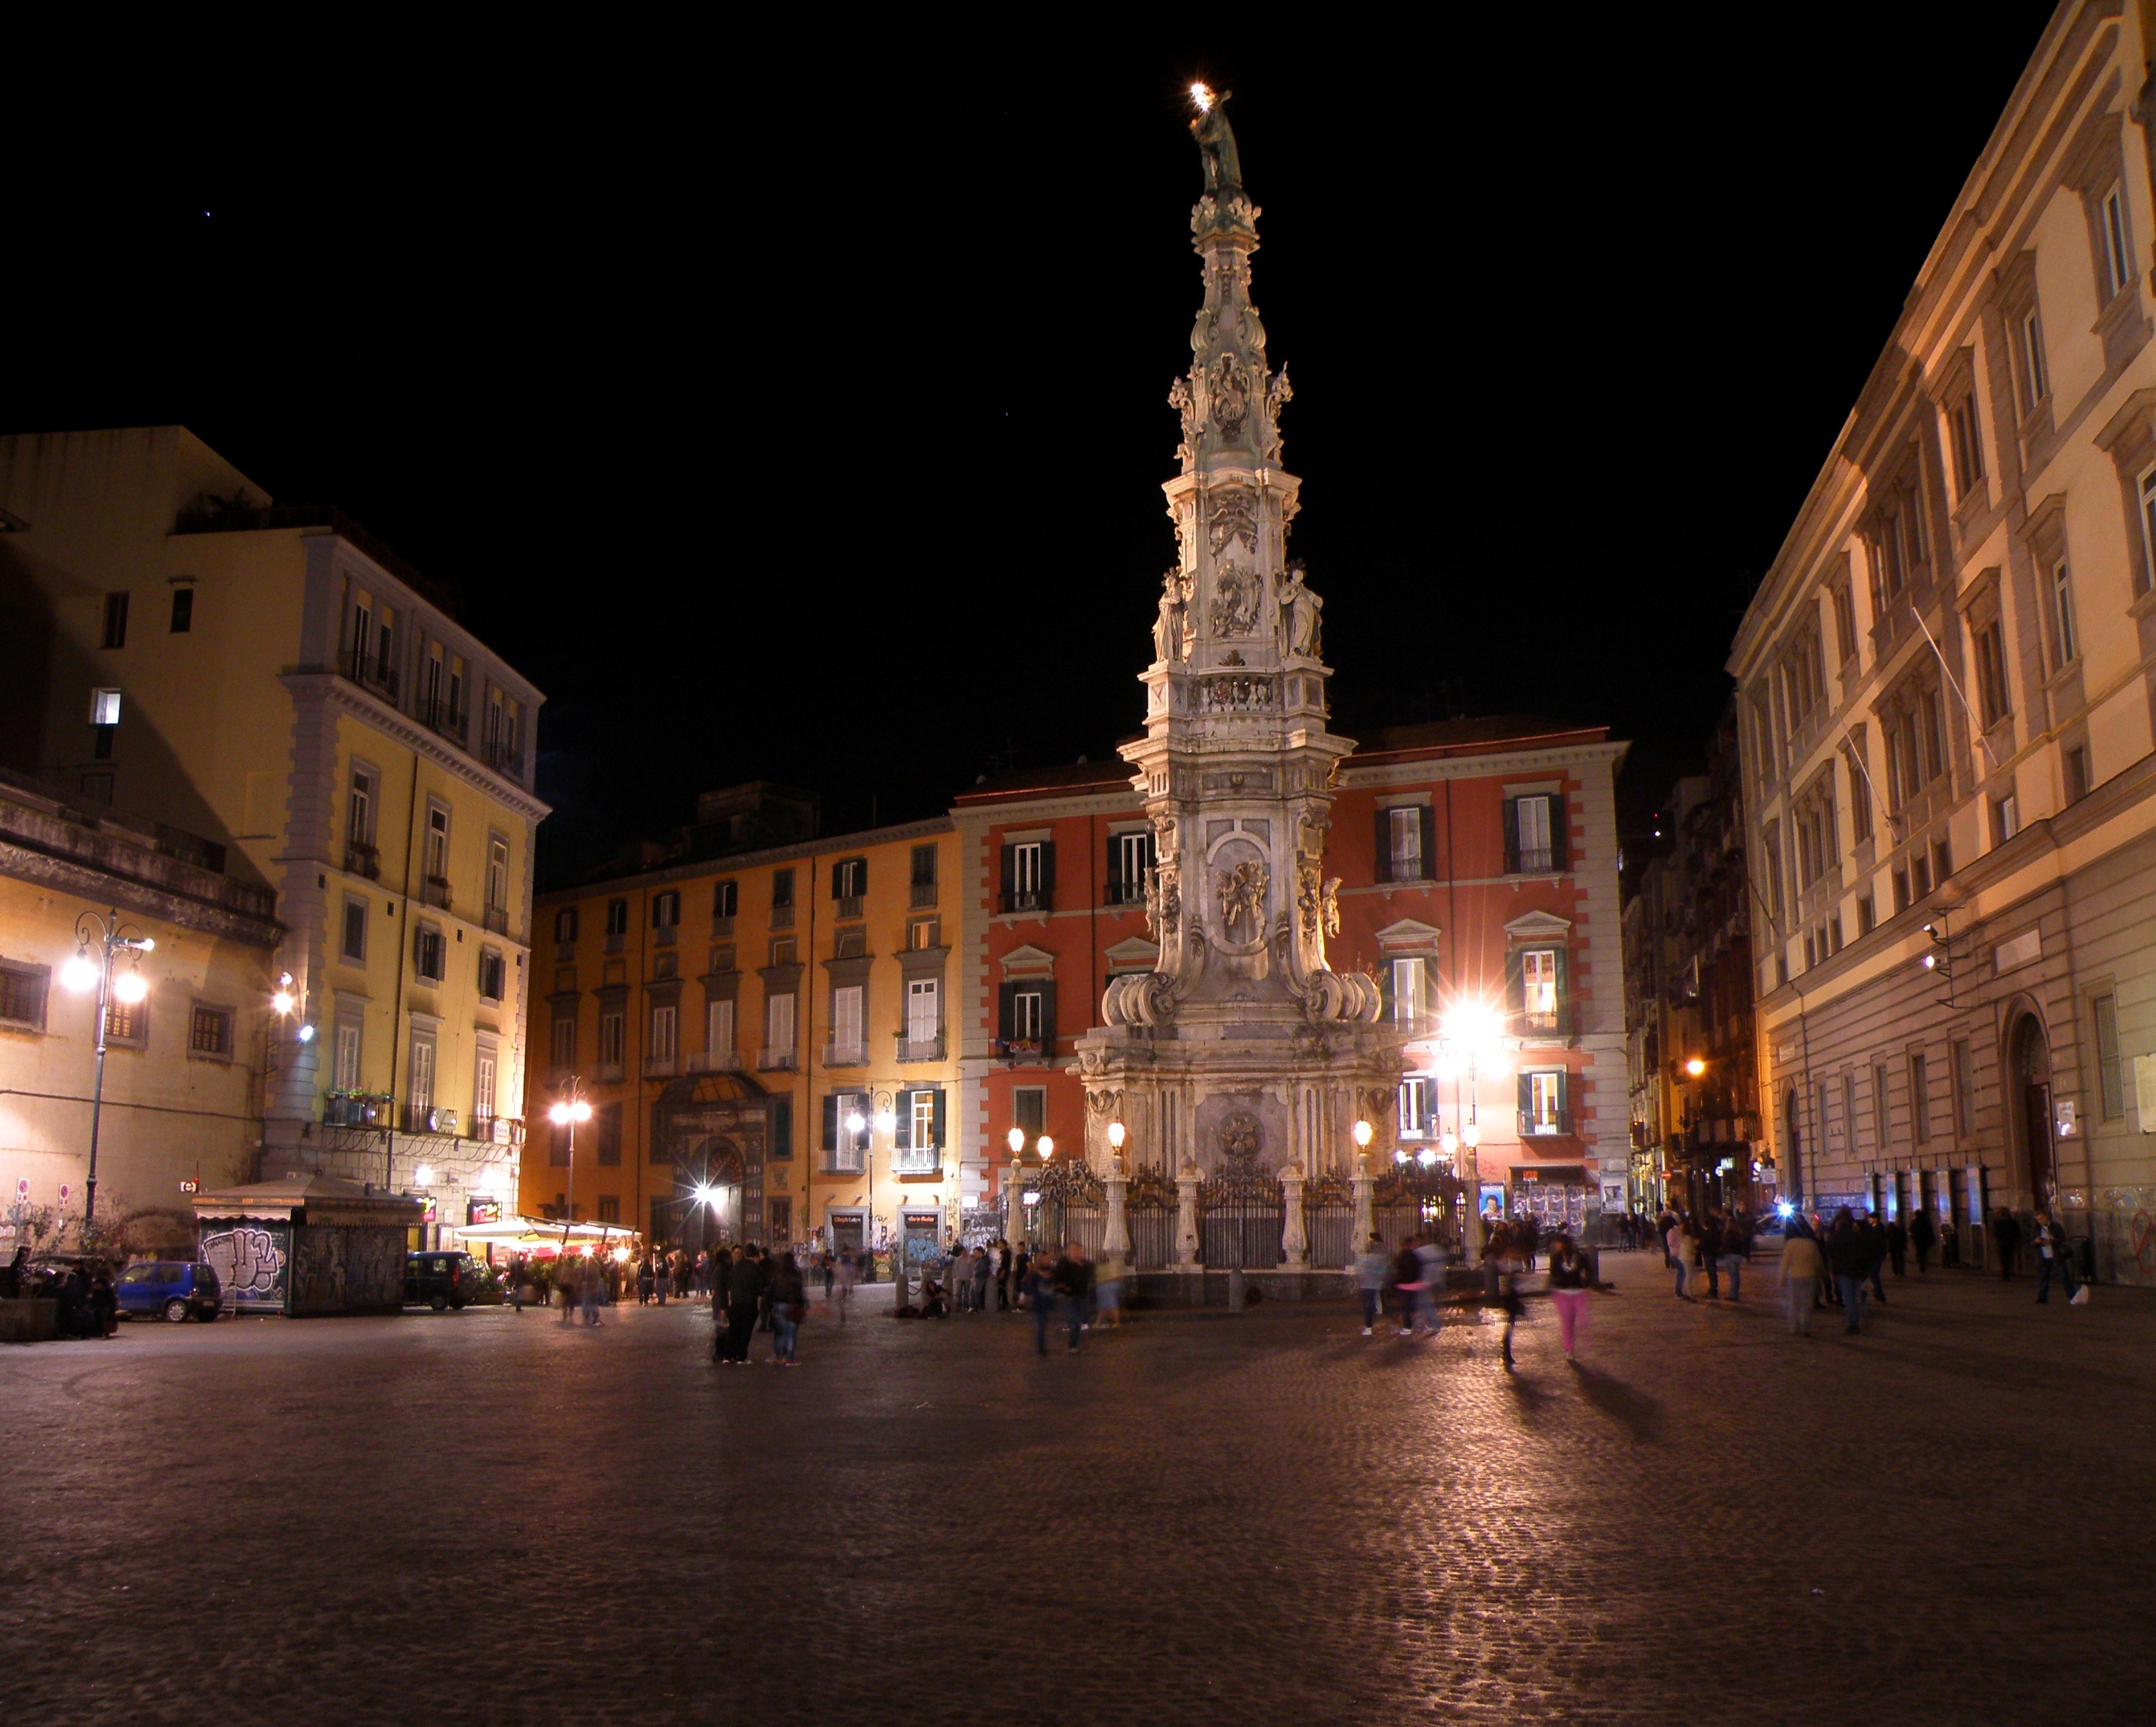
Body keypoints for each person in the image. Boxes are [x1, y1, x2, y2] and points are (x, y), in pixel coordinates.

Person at [1547, 1233, 1590, 1361]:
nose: (1555, 1246)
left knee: (1583, 1320)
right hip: (1562, 1293)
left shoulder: (1578, 1257)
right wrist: (1557, 1282)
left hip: (1578, 1291)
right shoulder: (1556, 1258)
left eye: (1557, 1243)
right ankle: (1569, 1349)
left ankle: (1585, 1346)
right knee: (1567, 1323)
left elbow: (1588, 1269)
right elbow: (1553, 1273)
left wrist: (1586, 1282)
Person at [1828, 1208, 1869, 1334]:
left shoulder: (1835, 1238)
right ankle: (1862, 1313)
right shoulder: (1856, 1236)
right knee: (1860, 1295)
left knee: (1849, 1298)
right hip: (1858, 1271)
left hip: (1844, 1272)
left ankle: (1854, 1323)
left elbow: (1828, 1252)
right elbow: (1865, 1253)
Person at [1779, 1222, 1824, 1336]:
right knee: (1807, 1304)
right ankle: (1805, 1328)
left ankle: (1794, 1327)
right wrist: (1821, 1274)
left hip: (1795, 1276)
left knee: (1795, 1303)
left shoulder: (1791, 1244)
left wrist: (1782, 1278)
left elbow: (1785, 1263)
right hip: (1810, 1276)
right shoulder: (1811, 1244)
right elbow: (1818, 1262)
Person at [720, 1247, 763, 1363]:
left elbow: (730, 1287)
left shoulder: (736, 1267)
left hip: (735, 1303)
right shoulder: (756, 1269)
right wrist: (759, 1306)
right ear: (756, 1256)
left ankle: (727, 1356)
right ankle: (742, 1356)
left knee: (733, 1329)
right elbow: (760, 1290)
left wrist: (730, 1302)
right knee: (746, 1331)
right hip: (749, 1304)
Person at [2032, 1207, 2080, 1305]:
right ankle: (2042, 1297)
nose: (2040, 1221)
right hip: (2044, 1256)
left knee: (2064, 1277)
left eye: (2042, 1218)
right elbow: (2032, 1243)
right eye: (2038, 1220)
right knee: (2044, 1278)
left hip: (2056, 1255)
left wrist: (2050, 1242)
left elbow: (2061, 1238)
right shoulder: (2037, 1229)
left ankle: (2072, 1296)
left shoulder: (2056, 1226)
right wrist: (2037, 1242)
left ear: (2046, 1217)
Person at [767, 1248, 804, 1364]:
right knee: (791, 1333)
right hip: (793, 1305)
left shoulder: (777, 1274)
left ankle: (778, 1355)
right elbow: (799, 1291)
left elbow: (771, 1290)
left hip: (779, 1304)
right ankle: (789, 1358)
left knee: (780, 1333)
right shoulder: (796, 1274)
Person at [1353, 1234, 1389, 1336]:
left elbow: (1361, 1272)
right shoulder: (1382, 1252)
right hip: (1376, 1282)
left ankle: (1369, 1326)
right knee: (1377, 1298)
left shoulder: (1367, 1258)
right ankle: (1379, 1311)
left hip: (1367, 1284)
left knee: (1367, 1305)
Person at [1393, 1234, 1429, 1336]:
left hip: (1404, 1285)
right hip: (1415, 1285)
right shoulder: (1416, 1256)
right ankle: (1422, 1324)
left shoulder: (1402, 1256)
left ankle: (1408, 1327)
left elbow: (1400, 1271)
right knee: (1415, 1307)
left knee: (1406, 1308)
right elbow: (1420, 1269)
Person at [1025, 1249, 1058, 1355]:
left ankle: (1042, 1345)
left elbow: (1055, 1283)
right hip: (1039, 1302)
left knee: (1044, 1323)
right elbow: (1029, 1286)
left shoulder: (1052, 1271)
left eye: (1049, 1259)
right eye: (1045, 1258)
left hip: (1048, 1301)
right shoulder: (1035, 1273)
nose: (1048, 1260)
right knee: (1042, 1324)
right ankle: (1041, 1347)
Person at [1715, 1212, 1744, 1305]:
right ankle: (1736, 1293)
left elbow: (1724, 1245)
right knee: (1737, 1276)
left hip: (1729, 1256)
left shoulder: (1727, 1234)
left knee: (1733, 1277)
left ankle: (1733, 1295)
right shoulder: (1739, 1234)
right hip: (1737, 1256)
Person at [1096, 1249, 1125, 1328]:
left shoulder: (1103, 1267)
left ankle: (1100, 1324)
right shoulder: (1110, 1266)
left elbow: (1118, 1278)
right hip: (1108, 1288)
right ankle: (1100, 1323)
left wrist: (1104, 1281)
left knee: (1107, 1306)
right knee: (1108, 1305)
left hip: (1106, 1288)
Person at [1992, 1207, 2021, 1280]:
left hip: (2001, 1242)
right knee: (2010, 1258)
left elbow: (1995, 1233)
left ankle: (2005, 1274)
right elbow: (2017, 1232)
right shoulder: (2012, 1222)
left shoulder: (1997, 1222)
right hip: (2011, 1243)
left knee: (2003, 1259)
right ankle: (2009, 1272)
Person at [832, 1246, 859, 1325]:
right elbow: (838, 1266)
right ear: (846, 1251)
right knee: (841, 1297)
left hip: (845, 1280)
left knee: (843, 1294)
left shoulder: (849, 1258)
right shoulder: (841, 1257)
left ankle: (842, 1313)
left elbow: (852, 1265)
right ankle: (841, 1313)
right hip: (841, 1280)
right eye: (850, 1251)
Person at [1909, 1204, 1936, 1275]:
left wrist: (1912, 1236)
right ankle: (1924, 1264)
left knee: (1920, 1253)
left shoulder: (1914, 1222)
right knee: (1923, 1252)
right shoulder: (1925, 1221)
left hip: (1918, 1240)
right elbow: (1930, 1230)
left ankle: (1922, 1266)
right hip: (1924, 1240)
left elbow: (1911, 1230)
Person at [1885, 1215, 1908, 1279]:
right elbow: (1887, 1236)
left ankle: (1900, 1272)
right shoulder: (1892, 1227)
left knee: (1899, 1259)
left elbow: (1904, 1236)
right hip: (1894, 1246)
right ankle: (1897, 1272)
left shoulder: (1899, 1227)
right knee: (1895, 1259)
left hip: (1898, 1246)